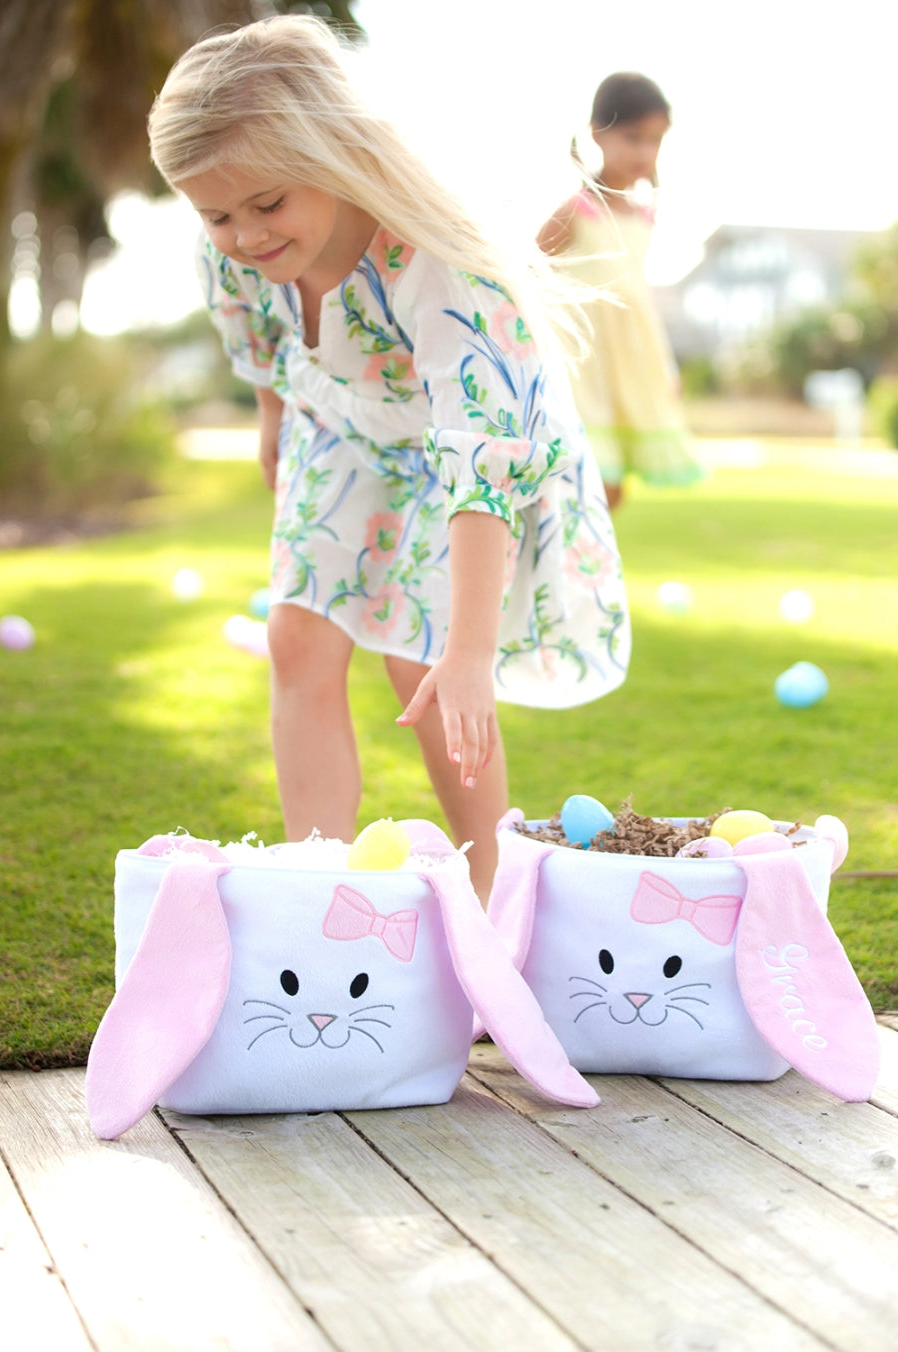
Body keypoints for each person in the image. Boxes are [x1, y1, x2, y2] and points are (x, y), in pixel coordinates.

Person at [148, 15, 630, 899]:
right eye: (215, 213)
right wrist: (268, 416)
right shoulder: (236, 239)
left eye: (267, 205)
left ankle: (494, 892)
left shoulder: (434, 258)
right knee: (296, 636)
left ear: (331, 157)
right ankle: (322, 888)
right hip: (336, 427)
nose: (245, 234)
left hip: (466, 451)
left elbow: (483, 453)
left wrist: (471, 652)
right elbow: (252, 326)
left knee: (424, 659)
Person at [538, 72, 702, 511]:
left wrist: (665, 367)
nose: (644, 151)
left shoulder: (645, 216)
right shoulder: (578, 209)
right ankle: (563, 567)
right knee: (584, 471)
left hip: (629, 359)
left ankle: (593, 570)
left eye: (654, 140)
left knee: (614, 488)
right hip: (583, 358)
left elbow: (638, 293)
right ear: (598, 133)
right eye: (632, 137)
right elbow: (529, 273)